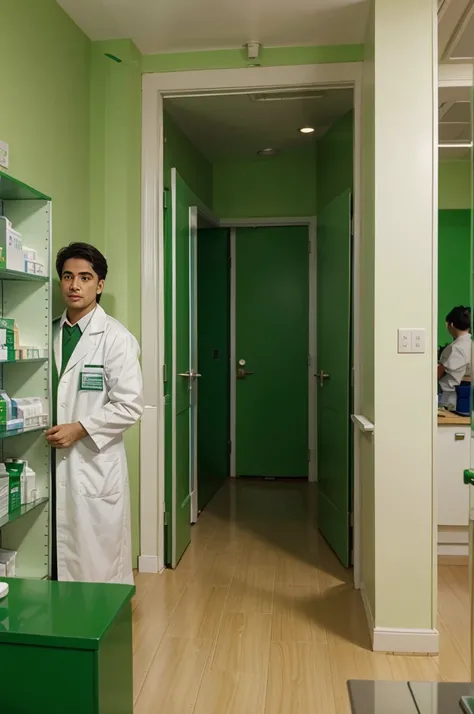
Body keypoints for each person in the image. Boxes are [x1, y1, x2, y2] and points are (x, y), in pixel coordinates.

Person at [45, 243, 143, 584]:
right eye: (68, 277)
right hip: (49, 459)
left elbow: (129, 405)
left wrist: (81, 427)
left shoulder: (116, 338)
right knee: (53, 545)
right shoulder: (48, 334)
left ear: (99, 285)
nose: (75, 286)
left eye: (85, 278)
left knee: (96, 556)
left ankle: (102, 624)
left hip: (91, 462)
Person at [438, 305, 471, 409]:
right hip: (467, 399)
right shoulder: (471, 343)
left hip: (451, 400)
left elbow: (439, 372)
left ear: (450, 324)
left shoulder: (455, 348)